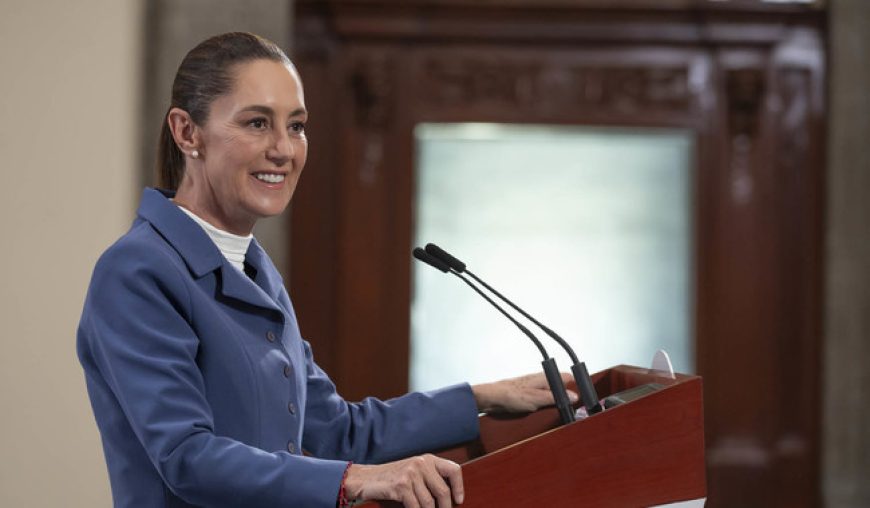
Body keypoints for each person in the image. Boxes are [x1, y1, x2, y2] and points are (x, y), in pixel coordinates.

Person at [77, 32, 576, 508]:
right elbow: (187, 457)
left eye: (296, 125)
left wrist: (483, 397)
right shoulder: (138, 271)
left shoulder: (254, 270)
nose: (284, 149)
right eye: (257, 123)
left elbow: (339, 430)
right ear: (188, 132)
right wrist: (357, 480)